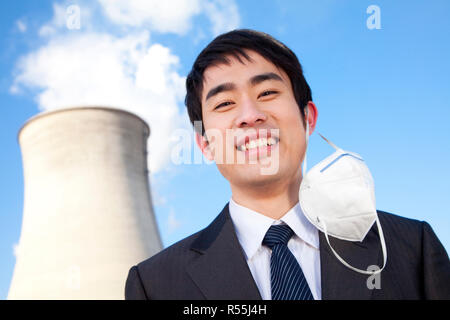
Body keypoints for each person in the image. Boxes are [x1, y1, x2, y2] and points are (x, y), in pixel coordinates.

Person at [125, 29, 450, 300]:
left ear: (308, 117)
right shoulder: (155, 284)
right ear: (205, 144)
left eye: (267, 92)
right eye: (225, 103)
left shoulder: (409, 248)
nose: (250, 115)